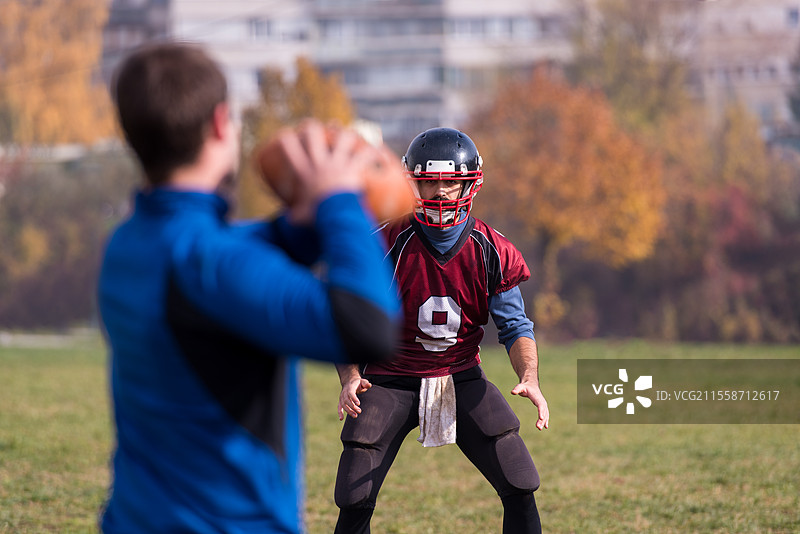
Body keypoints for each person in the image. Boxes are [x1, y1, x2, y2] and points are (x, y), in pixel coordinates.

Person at [97, 41, 399, 533]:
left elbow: (234, 253)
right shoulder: (210, 264)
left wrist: (300, 225)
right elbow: (368, 325)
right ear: (221, 124)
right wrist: (341, 201)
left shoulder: (128, 243)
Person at [333, 127, 549, 534]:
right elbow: (348, 320)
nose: (441, 191)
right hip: (389, 377)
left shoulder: (491, 248)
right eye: (429, 181)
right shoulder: (383, 244)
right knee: (354, 492)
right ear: (412, 183)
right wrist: (350, 376)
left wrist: (529, 376)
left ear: (470, 184)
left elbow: (515, 325)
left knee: (520, 481)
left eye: (450, 181)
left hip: (460, 373)